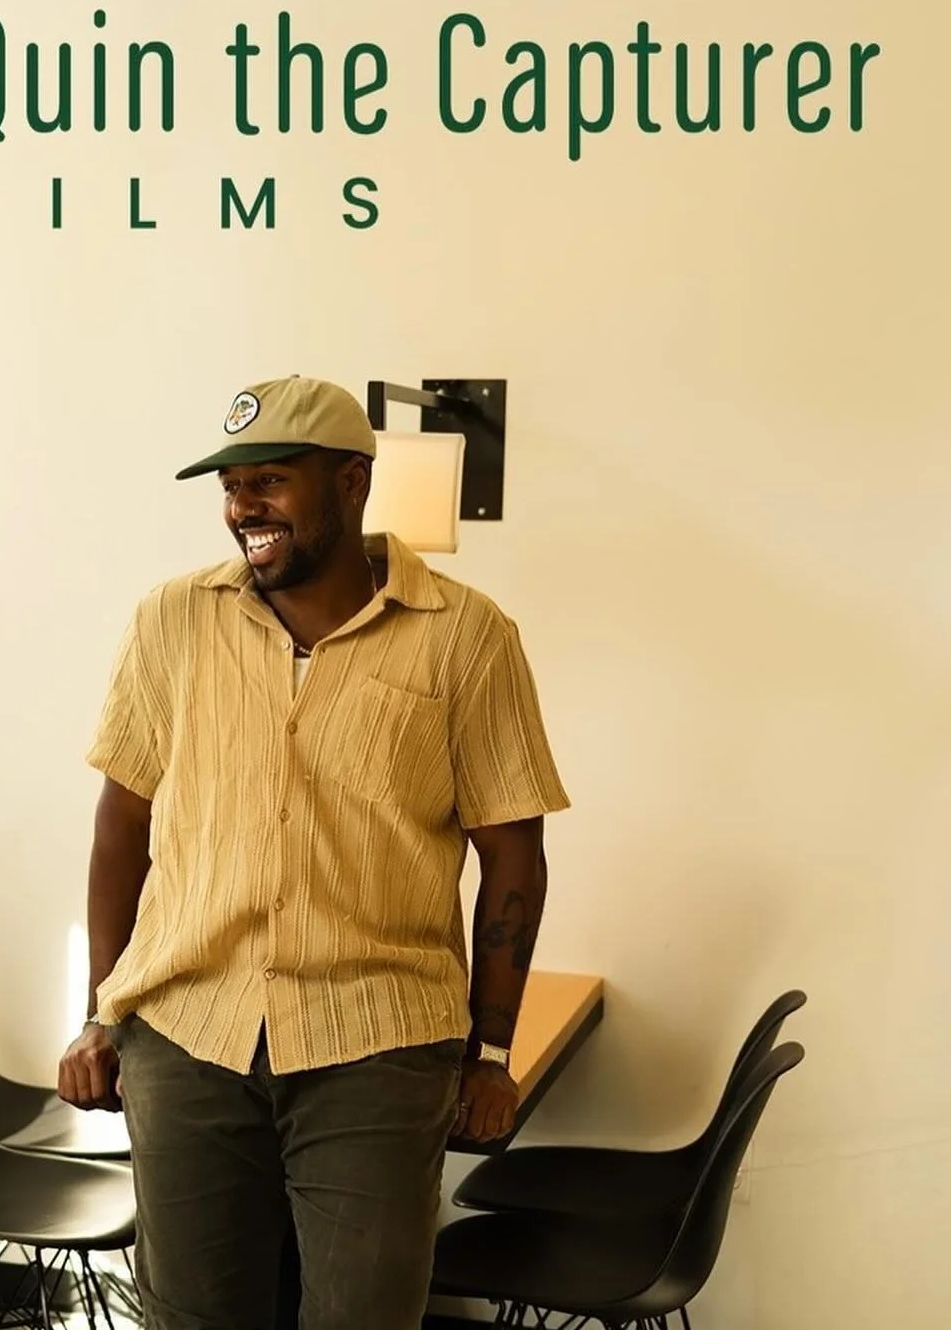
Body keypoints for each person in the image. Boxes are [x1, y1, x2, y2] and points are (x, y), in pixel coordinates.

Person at [57, 375, 570, 1330]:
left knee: (363, 1317)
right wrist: (100, 1013)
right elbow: (120, 826)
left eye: (271, 480)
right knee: (194, 1317)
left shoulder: (465, 638)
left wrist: (492, 1051)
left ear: (349, 481)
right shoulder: (170, 623)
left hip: (376, 1043)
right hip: (186, 1034)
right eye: (230, 485)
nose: (242, 506)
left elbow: (513, 853)